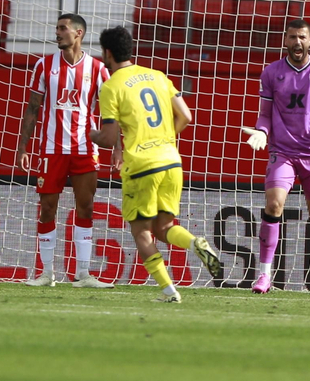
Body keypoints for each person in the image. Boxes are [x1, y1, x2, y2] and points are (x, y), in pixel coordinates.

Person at [90, 25, 225, 304]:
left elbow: (108, 137)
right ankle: (195, 243)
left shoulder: (111, 86)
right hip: (172, 161)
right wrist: (162, 139)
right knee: (163, 228)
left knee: (141, 231)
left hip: (142, 165)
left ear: (107, 53)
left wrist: (86, 133)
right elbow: (186, 115)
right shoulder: (158, 76)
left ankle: (169, 291)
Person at [240, 19, 310, 296]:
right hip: (282, 152)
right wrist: (261, 131)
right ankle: (264, 276)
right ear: (286, 40)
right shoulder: (272, 73)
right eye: (293, 37)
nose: (297, 42)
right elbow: (265, 113)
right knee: (273, 206)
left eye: (302, 37)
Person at [12, 14, 108, 288]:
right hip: (51, 149)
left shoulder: (98, 69)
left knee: (86, 207)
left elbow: (112, 113)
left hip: (84, 148)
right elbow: (32, 109)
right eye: (56, 28)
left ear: (78, 33)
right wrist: (23, 147)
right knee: (47, 209)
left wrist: (116, 149)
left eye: (62, 29)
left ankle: (84, 274)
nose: (57, 33)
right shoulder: (44, 66)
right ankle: (47, 273)